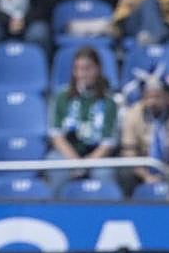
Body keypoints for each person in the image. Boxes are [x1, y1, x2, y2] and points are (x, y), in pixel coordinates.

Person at [48, 46, 119, 188]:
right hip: (67, 152)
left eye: (87, 69)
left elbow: (108, 143)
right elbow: (56, 136)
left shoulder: (109, 101)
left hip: (97, 155)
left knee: (104, 173)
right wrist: (75, 162)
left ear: (98, 69)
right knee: (56, 165)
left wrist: (86, 164)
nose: (82, 74)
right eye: (77, 69)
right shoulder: (62, 96)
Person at [118, 71, 169, 195]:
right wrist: (146, 176)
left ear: (167, 97)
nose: (152, 102)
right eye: (148, 97)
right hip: (143, 170)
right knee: (125, 174)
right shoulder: (132, 115)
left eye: (157, 97)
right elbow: (129, 153)